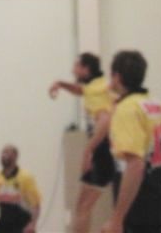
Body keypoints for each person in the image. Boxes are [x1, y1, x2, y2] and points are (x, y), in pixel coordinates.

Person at [101, 50, 161, 233]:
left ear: (117, 76)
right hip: (157, 202)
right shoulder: (157, 106)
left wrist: (117, 218)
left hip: (135, 206)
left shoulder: (127, 109)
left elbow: (135, 165)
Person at [49, 53, 116, 233]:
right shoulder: (98, 85)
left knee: (83, 208)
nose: (73, 70)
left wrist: (88, 150)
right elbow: (81, 90)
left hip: (104, 151)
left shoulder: (96, 90)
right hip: (104, 150)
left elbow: (105, 120)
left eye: (76, 66)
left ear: (86, 69)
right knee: (82, 207)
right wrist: (61, 84)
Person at [0, 145, 41, 233]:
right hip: (4, 222)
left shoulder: (26, 177)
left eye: (7, 153)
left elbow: (36, 205)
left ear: (15, 156)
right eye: (2, 153)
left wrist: (32, 224)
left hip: (22, 222)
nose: (4, 155)